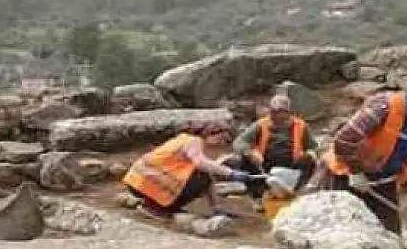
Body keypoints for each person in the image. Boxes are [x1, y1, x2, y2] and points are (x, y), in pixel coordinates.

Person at [312, 76, 407, 235]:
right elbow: (344, 140)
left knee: (391, 236)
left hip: (384, 181)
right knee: (339, 231)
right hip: (344, 176)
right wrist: (356, 172)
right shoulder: (385, 106)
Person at [123, 125, 257, 220]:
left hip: (135, 180)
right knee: (200, 179)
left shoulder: (183, 139)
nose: (221, 143)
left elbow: (206, 174)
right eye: (221, 139)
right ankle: (158, 208)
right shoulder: (194, 141)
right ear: (210, 134)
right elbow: (201, 164)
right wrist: (230, 173)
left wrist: (216, 206)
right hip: (144, 181)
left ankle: (158, 205)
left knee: (202, 176)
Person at [223, 94, 318, 204]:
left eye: (280, 112)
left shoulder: (301, 126)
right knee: (244, 160)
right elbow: (239, 142)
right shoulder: (261, 124)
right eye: (274, 112)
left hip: (292, 164)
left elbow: (314, 147)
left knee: (309, 161)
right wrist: (250, 153)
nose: (276, 115)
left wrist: (309, 154)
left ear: (288, 113)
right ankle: (258, 195)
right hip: (264, 165)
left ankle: (297, 190)